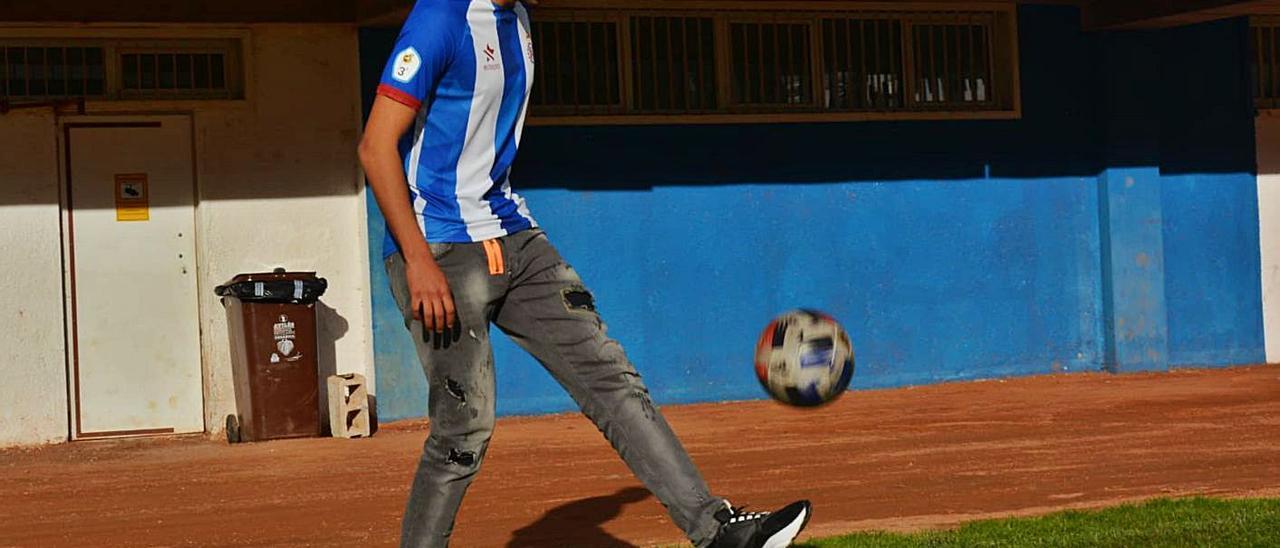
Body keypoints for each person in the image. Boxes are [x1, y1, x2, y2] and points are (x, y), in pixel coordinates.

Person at [357, 0, 812, 546]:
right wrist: (417, 260)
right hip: (440, 250)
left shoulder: (520, 19)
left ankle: (715, 529)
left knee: (611, 378)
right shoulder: (441, 17)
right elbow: (375, 145)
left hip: (515, 237)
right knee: (463, 428)